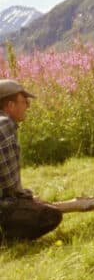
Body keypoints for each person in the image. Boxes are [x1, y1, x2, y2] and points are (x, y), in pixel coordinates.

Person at [0, 78, 63, 244]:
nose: (27, 106)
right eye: (24, 101)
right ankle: (5, 239)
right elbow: (9, 186)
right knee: (51, 215)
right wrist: (27, 197)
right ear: (10, 106)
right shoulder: (5, 126)